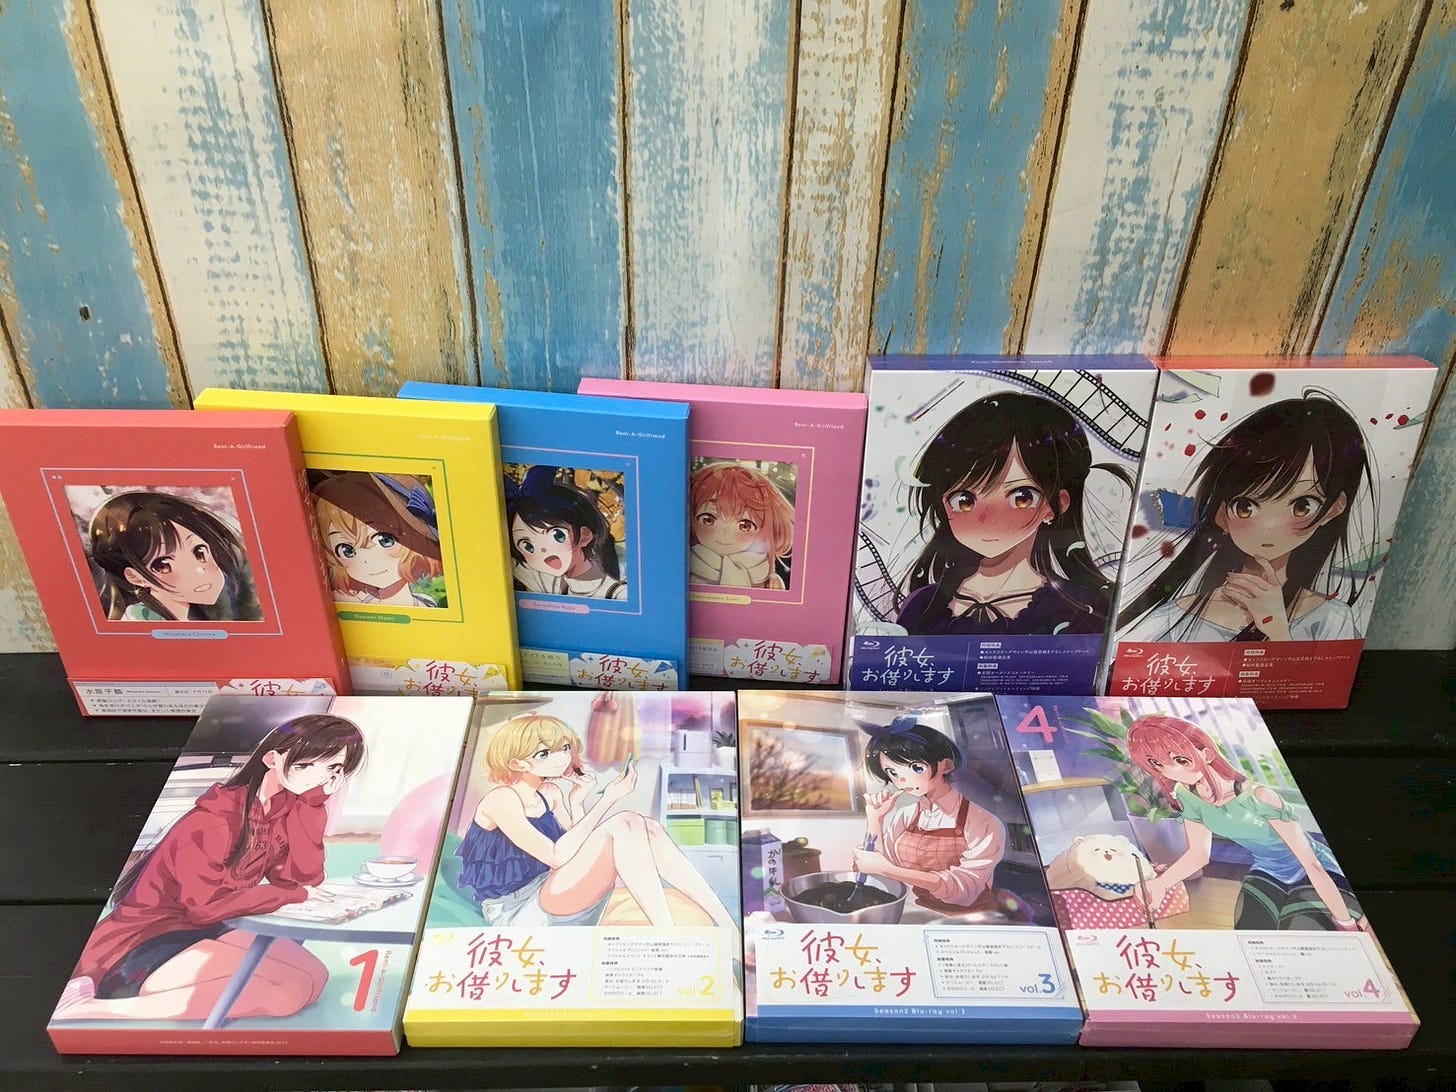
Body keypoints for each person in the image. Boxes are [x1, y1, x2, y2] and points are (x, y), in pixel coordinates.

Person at [53, 714, 367, 1021]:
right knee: (288, 992)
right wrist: (292, 895)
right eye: (306, 765)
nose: (320, 777)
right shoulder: (214, 821)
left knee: (314, 978)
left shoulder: (284, 809)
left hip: (212, 928)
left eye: (333, 769)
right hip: (142, 945)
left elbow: (302, 879)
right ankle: (86, 1007)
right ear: (272, 758)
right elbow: (205, 908)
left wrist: (312, 804)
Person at [1117, 393, 1374, 642]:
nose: (1269, 526)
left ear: (1333, 509)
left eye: (1302, 506)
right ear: (1222, 515)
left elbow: (1329, 674)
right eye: (1245, 507)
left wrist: (1278, 632)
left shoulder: (1331, 618)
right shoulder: (1172, 619)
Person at [456, 713, 736, 931]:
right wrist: (606, 801)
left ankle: (728, 926)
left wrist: (578, 802)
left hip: (555, 889)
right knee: (624, 823)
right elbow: (556, 856)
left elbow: (578, 850)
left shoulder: (550, 793)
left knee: (648, 827)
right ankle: (667, 932)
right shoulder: (501, 800)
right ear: (517, 764)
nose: (562, 758)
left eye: (565, 748)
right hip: (519, 912)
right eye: (544, 754)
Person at [895, 391, 1126, 636]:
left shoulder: (1079, 609)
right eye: (964, 500)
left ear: (1056, 505)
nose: (987, 519)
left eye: (1022, 497)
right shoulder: (922, 605)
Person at [1126, 714, 1365, 931]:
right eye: (1158, 764)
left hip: (1314, 871)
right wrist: (1161, 883)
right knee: (1251, 929)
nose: (1170, 770)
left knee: (1302, 928)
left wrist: (1346, 923)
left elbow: (1311, 863)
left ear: (1207, 754)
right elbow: (1198, 854)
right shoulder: (1188, 796)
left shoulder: (1261, 796)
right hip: (1267, 871)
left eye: (1180, 759)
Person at [851, 717, 1005, 914]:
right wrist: (876, 818)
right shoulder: (906, 815)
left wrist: (888, 870)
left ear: (946, 766)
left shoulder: (983, 822)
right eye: (892, 772)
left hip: (970, 917)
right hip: (920, 910)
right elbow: (880, 865)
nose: (902, 780)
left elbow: (965, 891)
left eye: (916, 768)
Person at [87, 491, 254, 622]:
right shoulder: (141, 624)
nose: (199, 570)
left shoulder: (183, 616)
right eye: (163, 565)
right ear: (135, 577)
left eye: (200, 552)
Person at [311, 472, 444, 607]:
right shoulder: (339, 602)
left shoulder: (427, 603)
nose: (368, 560)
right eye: (347, 550)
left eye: (385, 540)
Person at [505, 466, 626, 599]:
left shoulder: (620, 593)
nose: (543, 549)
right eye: (527, 546)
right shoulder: (551, 582)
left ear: (585, 535)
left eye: (558, 535)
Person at [689, 462, 794, 590]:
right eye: (708, 519)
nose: (725, 532)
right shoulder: (683, 568)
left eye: (745, 525)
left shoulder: (770, 582)